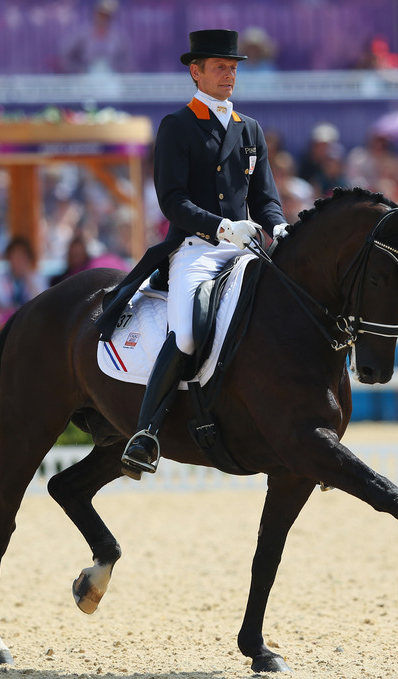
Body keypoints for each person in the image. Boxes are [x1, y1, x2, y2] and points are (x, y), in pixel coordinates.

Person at [96, 29, 287, 478]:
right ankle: (146, 433)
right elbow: (172, 200)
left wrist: (278, 224)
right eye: (220, 67)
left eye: (233, 67)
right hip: (197, 249)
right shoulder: (178, 126)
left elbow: (265, 197)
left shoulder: (250, 129)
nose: (229, 75)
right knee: (186, 333)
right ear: (196, 72)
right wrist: (221, 226)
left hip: (244, 250)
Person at [58, 0, 130, 75]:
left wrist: (118, 71)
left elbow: (126, 61)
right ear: (95, 14)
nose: (103, 18)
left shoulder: (119, 38)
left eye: (107, 16)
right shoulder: (82, 35)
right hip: (85, 78)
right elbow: (66, 55)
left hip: (112, 78)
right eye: (101, 14)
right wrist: (78, 70)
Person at [0, 236, 45, 309]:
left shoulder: (37, 277)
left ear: (29, 259)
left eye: (22, 257)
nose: (19, 262)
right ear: (8, 258)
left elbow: (42, 303)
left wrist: (28, 279)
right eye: (15, 257)